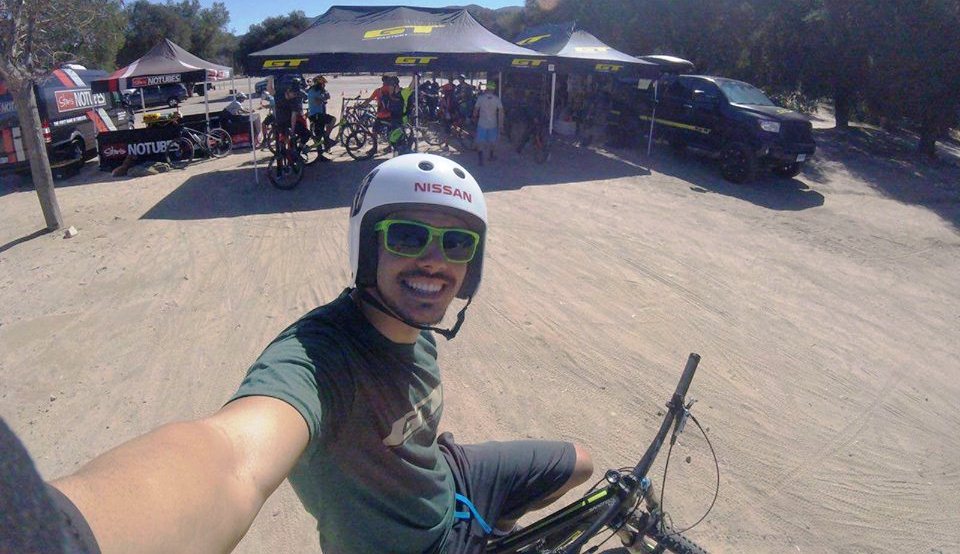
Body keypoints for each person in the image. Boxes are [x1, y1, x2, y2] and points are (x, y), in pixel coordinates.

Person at [48, 153, 593, 554]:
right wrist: (62, 533)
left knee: (580, 464)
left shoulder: (416, 323)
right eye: (407, 236)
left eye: (456, 244)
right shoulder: (318, 359)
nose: (434, 262)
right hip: (413, 548)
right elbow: (230, 456)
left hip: (449, 480)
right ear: (368, 246)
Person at [472, 81, 504, 166]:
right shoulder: (497, 99)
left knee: (480, 142)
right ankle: (491, 156)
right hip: (493, 124)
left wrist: (474, 118)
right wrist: (501, 125)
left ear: (486, 88)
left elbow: (475, 110)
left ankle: (480, 159)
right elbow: (501, 113)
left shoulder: (480, 98)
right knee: (493, 142)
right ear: (494, 89)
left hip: (482, 123)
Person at [306, 75, 336, 152]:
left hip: (318, 114)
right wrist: (323, 98)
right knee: (333, 119)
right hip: (316, 115)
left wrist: (324, 93)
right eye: (322, 84)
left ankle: (322, 152)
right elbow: (317, 101)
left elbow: (328, 96)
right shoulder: (313, 91)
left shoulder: (317, 90)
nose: (323, 85)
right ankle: (327, 137)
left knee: (319, 135)